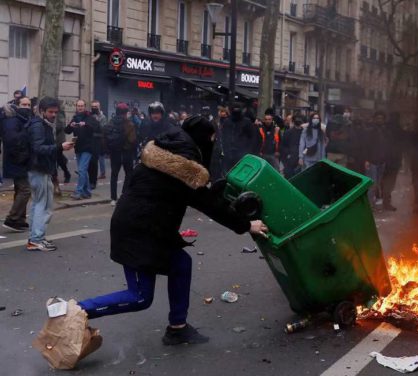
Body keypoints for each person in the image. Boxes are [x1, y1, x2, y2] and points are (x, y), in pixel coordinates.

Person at [46, 116, 268, 357]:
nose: (213, 145)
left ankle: (177, 328)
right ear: (202, 139)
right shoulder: (185, 166)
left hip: (142, 227)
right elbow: (207, 203)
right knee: (140, 296)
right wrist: (247, 225)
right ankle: (73, 311)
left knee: (181, 263)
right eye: (212, 139)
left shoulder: (163, 152)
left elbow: (183, 194)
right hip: (139, 233)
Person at [27, 97, 75, 251]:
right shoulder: (38, 126)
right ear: (42, 111)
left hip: (40, 169)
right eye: (50, 112)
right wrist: (60, 147)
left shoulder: (42, 124)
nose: (53, 115)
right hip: (39, 169)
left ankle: (35, 237)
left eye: (55, 112)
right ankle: (36, 239)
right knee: (44, 205)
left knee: (38, 204)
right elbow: (38, 148)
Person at [1, 96, 34, 231]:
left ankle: (19, 219)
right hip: (16, 160)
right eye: (23, 104)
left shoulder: (21, 119)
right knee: (25, 189)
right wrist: (23, 156)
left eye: (28, 105)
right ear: (17, 105)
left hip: (20, 160)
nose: (26, 107)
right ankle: (12, 219)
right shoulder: (12, 120)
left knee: (20, 189)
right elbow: (12, 141)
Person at [104, 102, 137, 205]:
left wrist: (108, 150)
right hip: (127, 153)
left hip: (115, 153)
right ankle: (123, 194)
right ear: (126, 113)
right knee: (129, 174)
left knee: (114, 175)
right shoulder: (129, 124)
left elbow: (105, 137)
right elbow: (132, 140)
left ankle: (113, 198)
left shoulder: (110, 123)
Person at [66, 99, 97, 200]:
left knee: (82, 170)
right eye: (78, 106)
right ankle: (87, 192)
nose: (80, 107)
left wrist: (86, 125)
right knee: (82, 171)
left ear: (85, 106)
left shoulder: (89, 117)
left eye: (82, 106)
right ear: (76, 107)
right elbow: (66, 131)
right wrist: (70, 126)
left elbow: (95, 128)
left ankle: (78, 192)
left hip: (88, 148)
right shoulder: (75, 118)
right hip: (78, 147)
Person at [280, 114, 303, 179]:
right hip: (289, 161)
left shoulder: (304, 132)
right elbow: (283, 146)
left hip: (301, 160)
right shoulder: (288, 132)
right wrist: (288, 155)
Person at [91, 100, 108, 181]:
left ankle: (102, 173)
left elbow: (103, 129)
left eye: (96, 107)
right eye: (93, 106)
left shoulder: (103, 117)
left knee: (101, 157)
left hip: (100, 139)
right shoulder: (90, 115)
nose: (94, 108)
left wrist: (96, 121)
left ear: (99, 107)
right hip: (91, 139)